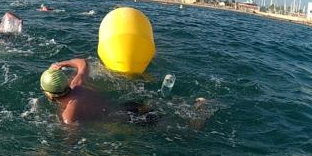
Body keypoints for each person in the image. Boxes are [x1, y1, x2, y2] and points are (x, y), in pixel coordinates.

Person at [40, 58, 213, 127]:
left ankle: (199, 117)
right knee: (163, 108)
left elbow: (70, 142)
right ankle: (196, 104)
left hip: (130, 120)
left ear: (50, 94)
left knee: (183, 133)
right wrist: (61, 64)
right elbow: (83, 63)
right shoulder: (76, 83)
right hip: (129, 106)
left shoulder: (68, 114)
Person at [40, 58, 108, 124]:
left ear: (50, 95)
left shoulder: (68, 117)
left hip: (110, 126)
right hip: (115, 108)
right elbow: (83, 62)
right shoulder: (78, 84)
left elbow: (72, 134)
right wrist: (59, 64)